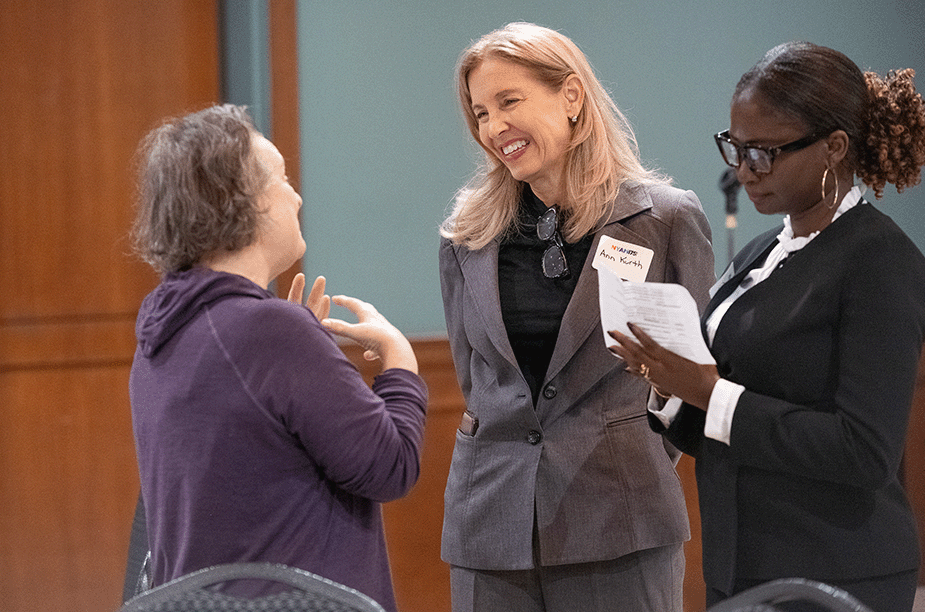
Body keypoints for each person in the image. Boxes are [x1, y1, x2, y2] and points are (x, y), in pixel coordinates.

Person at [608, 42, 925, 612]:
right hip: (742, 563)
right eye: (736, 147)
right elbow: (723, 433)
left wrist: (709, 390)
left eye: (766, 152)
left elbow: (864, 451)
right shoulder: (760, 254)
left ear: (834, 147)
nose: (745, 171)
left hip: (836, 572)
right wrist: (668, 385)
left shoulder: (879, 259)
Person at [438, 22, 714, 612]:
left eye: (509, 101)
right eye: (480, 113)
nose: (493, 128)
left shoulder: (663, 220)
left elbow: (692, 377)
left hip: (622, 519)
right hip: (491, 524)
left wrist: (623, 450)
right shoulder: (467, 235)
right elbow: (478, 382)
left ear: (571, 97)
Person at [129, 104, 427, 612]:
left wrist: (302, 349)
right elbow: (390, 465)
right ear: (246, 202)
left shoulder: (166, 329)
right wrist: (399, 361)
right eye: (283, 179)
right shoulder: (269, 331)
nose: (297, 195)